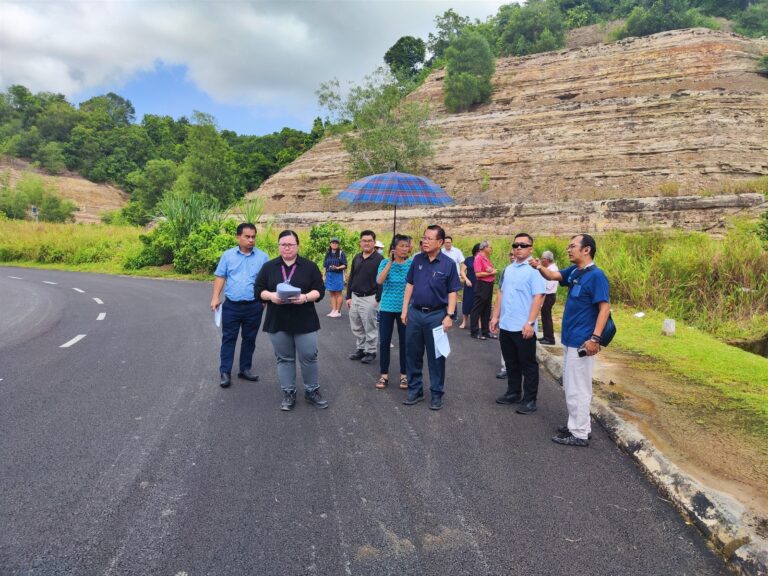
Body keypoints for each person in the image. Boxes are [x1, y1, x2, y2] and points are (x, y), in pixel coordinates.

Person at [530, 233, 611, 447]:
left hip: (582, 342)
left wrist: (595, 338)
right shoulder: (575, 271)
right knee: (571, 385)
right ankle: (578, 425)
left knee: (578, 388)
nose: (568, 249)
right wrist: (538, 267)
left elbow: (604, 309)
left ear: (586, 249)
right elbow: (552, 276)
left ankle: (580, 433)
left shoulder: (597, 276)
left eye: (573, 246)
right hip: (569, 339)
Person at [255, 230, 328, 411]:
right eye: (283, 244)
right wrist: (271, 296)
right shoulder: (269, 267)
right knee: (284, 358)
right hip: (278, 320)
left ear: (297, 246)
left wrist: (305, 297)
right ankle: (289, 393)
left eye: (290, 244)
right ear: (278, 246)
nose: (287, 248)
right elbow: (258, 290)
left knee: (309, 356)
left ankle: (312, 391)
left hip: (305, 320)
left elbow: (319, 290)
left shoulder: (309, 266)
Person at [401, 225, 461, 410]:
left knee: (436, 357)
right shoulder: (417, 259)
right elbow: (410, 285)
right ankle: (415, 390)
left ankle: (436, 393)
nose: (424, 241)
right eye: (424, 238)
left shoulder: (448, 264)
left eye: (429, 238)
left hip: (436, 316)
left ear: (440, 242)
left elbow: (452, 292)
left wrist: (449, 315)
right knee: (412, 354)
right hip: (415, 314)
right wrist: (404, 310)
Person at [490, 233, 546, 415]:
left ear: (531, 248)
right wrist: (495, 316)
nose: (519, 248)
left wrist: (530, 322)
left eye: (523, 245)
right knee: (511, 362)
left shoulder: (534, 270)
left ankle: (530, 400)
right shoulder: (508, 269)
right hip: (506, 324)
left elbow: (539, 296)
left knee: (528, 364)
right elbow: (501, 293)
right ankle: (513, 392)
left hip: (523, 326)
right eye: (516, 245)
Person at [210, 222, 269, 388]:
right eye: (247, 237)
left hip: (254, 306)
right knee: (229, 338)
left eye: (253, 237)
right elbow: (220, 276)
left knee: (249, 339)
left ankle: (245, 369)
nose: (251, 240)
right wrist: (215, 297)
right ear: (238, 237)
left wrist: (264, 301)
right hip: (232, 306)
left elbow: (266, 280)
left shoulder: (263, 257)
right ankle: (225, 372)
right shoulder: (228, 255)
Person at [375, 234, 412, 390]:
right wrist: (390, 262)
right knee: (384, 341)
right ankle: (384, 375)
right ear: (394, 248)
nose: (404, 249)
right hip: (387, 308)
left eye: (407, 246)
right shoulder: (384, 262)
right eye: (401, 246)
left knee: (405, 342)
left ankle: (404, 375)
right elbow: (379, 280)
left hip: (405, 309)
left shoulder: (411, 264)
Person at [346, 230, 384, 364]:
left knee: (370, 326)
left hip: (370, 298)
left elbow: (383, 281)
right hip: (355, 297)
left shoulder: (380, 260)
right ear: (360, 242)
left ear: (374, 243)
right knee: (356, 326)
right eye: (364, 241)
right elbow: (352, 277)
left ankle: (371, 351)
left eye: (369, 241)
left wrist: (378, 299)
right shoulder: (357, 257)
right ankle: (361, 349)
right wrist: (348, 296)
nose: (367, 243)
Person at [470, 240, 497, 340]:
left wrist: (491, 271)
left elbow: (489, 270)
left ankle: (485, 331)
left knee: (487, 308)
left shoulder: (486, 258)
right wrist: (491, 272)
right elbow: (478, 274)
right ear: (484, 248)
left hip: (489, 284)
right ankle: (474, 331)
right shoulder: (478, 258)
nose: (491, 249)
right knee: (478, 308)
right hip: (482, 285)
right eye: (490, 247)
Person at [441, 236, 465, 321]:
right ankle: (444, 314)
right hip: (443, 277)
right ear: (443, 243)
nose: (447, 244)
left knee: (453, 295)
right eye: (446, 242)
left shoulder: (457, 251)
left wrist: (462, 273)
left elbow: (462, 262)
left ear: (451, 243)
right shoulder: (441, 251)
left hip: (454, 277)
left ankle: (454, 315)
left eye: (449, 242)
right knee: (443, 295)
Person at [538, 250, 559, 345]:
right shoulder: (549, 268)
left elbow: (548, 286)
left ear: (547, 259)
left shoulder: (552, 269)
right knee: (544, 316)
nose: (541, 260)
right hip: (547, 295)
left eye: (542, 258)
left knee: (547, 317)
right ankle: (546, 336)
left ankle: (550, 338)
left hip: (549, 295)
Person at [323, 238, 347, 318]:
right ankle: (333, 310)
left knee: (338, 293)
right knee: (332, 293)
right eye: (333, 243)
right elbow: (325, 266)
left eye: (336, 243)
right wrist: (323, 276)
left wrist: (337, 267)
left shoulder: (341, 253)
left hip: (337, 275)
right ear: (330, 244)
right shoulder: (328, 253)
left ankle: (338, 311)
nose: (334, 244)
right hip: (329, 275)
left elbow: (345, 265)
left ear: (338, 244)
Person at [459, 243, 480, 330]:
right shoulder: (468, 259)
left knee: (478, 303)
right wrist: (466, 280)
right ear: (476, 251)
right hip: (469, 284)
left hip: (479, 284)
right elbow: (462, 271)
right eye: (479, 251)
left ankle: (478, 322)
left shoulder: (483, 260)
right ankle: (464, 322)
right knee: (467, 302)